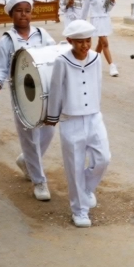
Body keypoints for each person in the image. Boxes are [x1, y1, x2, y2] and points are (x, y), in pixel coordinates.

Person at [0, 0, 57, 201]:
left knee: (48, 133)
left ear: (32, 13)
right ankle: (39, 181)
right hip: (23, 96)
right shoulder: (7, 41)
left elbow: (55, 56)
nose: (23, 14)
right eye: (19, 10)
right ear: (11, 14)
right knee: (29, 139)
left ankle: (26, 161)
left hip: (45, 93)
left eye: (27, 10)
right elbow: (0, 69)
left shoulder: (42, 35)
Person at [45, 19, 112, 228]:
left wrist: (95, 108)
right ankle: (79, 210)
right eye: (80, 42)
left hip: (93, 116)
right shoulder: (62, 61)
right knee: (74, 166)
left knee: (103, 159)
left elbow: (97, 85)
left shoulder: (95, 58)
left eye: (87, 41)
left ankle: (85, 189)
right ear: (70, 41)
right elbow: (55, 89)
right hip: (70, 119)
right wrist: (52, 116)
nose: (85, 46)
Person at [80, 0, 118, 77]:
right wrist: (81, 23)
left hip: (105, 19)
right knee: (105, 43)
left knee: (100, 44)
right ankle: (112, 65)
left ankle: (89, 64)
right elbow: (85, 9)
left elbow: (108, 9)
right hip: (96, 20)